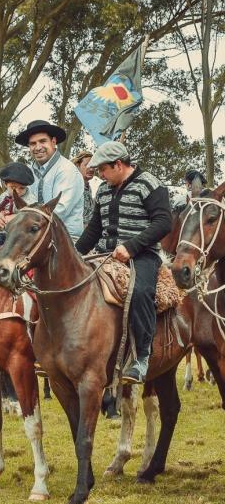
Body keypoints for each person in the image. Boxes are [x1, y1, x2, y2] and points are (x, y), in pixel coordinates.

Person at [75, 141, 171, 384]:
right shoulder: (104, 190)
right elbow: (95, 229)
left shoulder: (149, 183)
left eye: (103, 170)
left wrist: (131, 247)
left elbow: (163, 222)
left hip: (143, 255)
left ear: (118, 165)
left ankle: (141, 358)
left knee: (139, 292)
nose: (100, 176)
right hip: (104, 254)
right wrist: (76, 255)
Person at [12, 120, 85, 240]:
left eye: (42, 141)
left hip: (65, 239)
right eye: (33, 143)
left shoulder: (67, 170)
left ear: (53, 142)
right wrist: (5, 215)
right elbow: (22, 203)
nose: (38, 147)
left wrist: (18, 219)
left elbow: (59, 211)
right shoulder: (28, 172)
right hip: (36, 238)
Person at [0, 162, 35, 244]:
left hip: (20, 238)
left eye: (22, 188)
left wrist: (17, 217)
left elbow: (33, 216)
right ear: (5, 184)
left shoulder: (31, 200)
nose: (17, 191)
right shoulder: (2, 197)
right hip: (1, 234)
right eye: (13, 187)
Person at [72, 150, 96, 227]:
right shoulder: (72, 186)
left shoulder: (88, 188)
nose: (91, 169)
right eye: (87, 165)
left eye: (93, 166)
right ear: (77, 165)